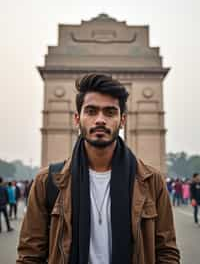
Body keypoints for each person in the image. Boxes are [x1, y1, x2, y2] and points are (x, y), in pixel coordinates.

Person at [17, 74, 180, 264]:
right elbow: (30, 256)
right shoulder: (47, 182)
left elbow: (166, 252)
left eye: (110, 112)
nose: (100, 120)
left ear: (122, 120)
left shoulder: (152, 181)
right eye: (91, 111)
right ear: (77, 119)